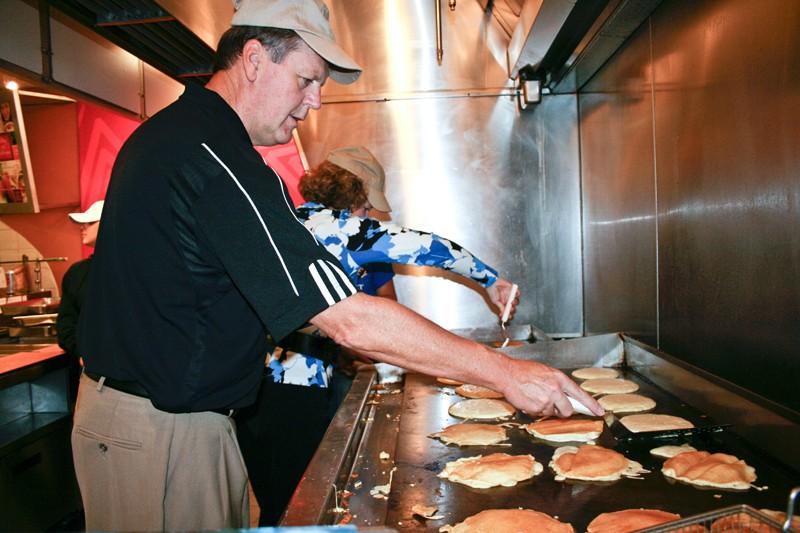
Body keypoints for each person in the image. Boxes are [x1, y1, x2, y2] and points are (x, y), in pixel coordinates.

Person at [71, 0, 603, 531]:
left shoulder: (196, 140)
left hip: (184, 420)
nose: (314, 102)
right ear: (254, 59)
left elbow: (277, 302)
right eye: (306, 79)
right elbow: (342, 315)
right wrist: (504, 373)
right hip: (157, 429)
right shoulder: (209, 154)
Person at [236, 145, 517, 525]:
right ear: (353, 196)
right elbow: (429, 247)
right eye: (367, 208)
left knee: (275, 504)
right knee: (297, 511)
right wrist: (491, 280)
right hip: (295, 393)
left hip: (253, 390)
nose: (369, 217)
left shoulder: (289, 219)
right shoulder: (345, 228)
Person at [56, 200, 104, 405]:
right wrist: (81, 352)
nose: (83, 227)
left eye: (90, 222)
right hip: (89, 378)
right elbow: (66, 324)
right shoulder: (77, 273)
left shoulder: (136, 271)